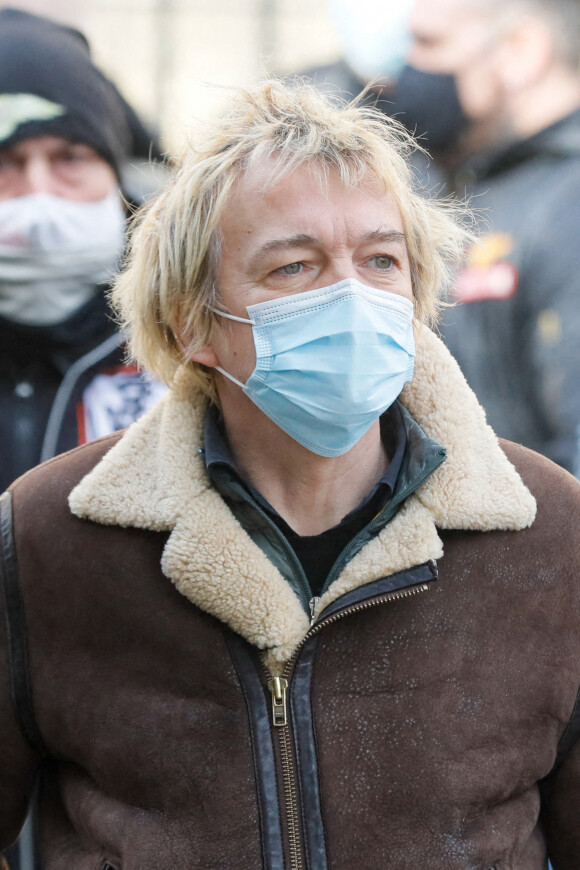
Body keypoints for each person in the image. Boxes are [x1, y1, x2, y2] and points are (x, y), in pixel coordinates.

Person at [2, 78, 580, 868]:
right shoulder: (48, 539)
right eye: (294, 268)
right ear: (193, 322)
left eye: (382, 260)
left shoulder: (550, 532)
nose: (352, 296)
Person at [396, 0, 580, 475]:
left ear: (520, 49)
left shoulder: (567, 198)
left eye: (430, 43)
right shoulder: (476, 178)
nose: (408, 69)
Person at [0, 8, 167, 494]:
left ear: (114, 174)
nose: (40, 197)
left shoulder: (193, 347)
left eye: (70, 158)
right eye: (5, 161)